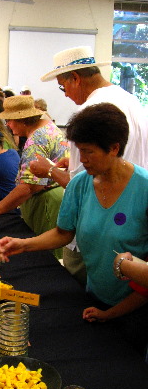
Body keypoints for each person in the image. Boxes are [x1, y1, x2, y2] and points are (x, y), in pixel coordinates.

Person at [0, 103, 148, 353]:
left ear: (114, 148)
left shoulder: (143, 189)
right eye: (79, 151)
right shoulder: (81, 184)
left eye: (88, 152)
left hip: (135, 308)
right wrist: (23, 244)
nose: (82, 159)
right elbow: (63, 233)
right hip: (94, 296)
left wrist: (112, 313)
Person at [30, 45, 148, 284]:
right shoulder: (132, 100)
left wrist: (50, 170)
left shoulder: (89, 112)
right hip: (130, 232)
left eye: (63, 87)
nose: (65, 95)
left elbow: (81, 187)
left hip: (96, 235)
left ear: (75, 78)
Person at [0, 96, 69, 259]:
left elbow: (30, 186)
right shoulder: (48, 126)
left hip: (45, 202)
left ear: (22, 120)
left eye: (10, 120)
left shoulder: (36, 140)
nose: (7, 124)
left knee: (43, 258)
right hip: (53, 198)